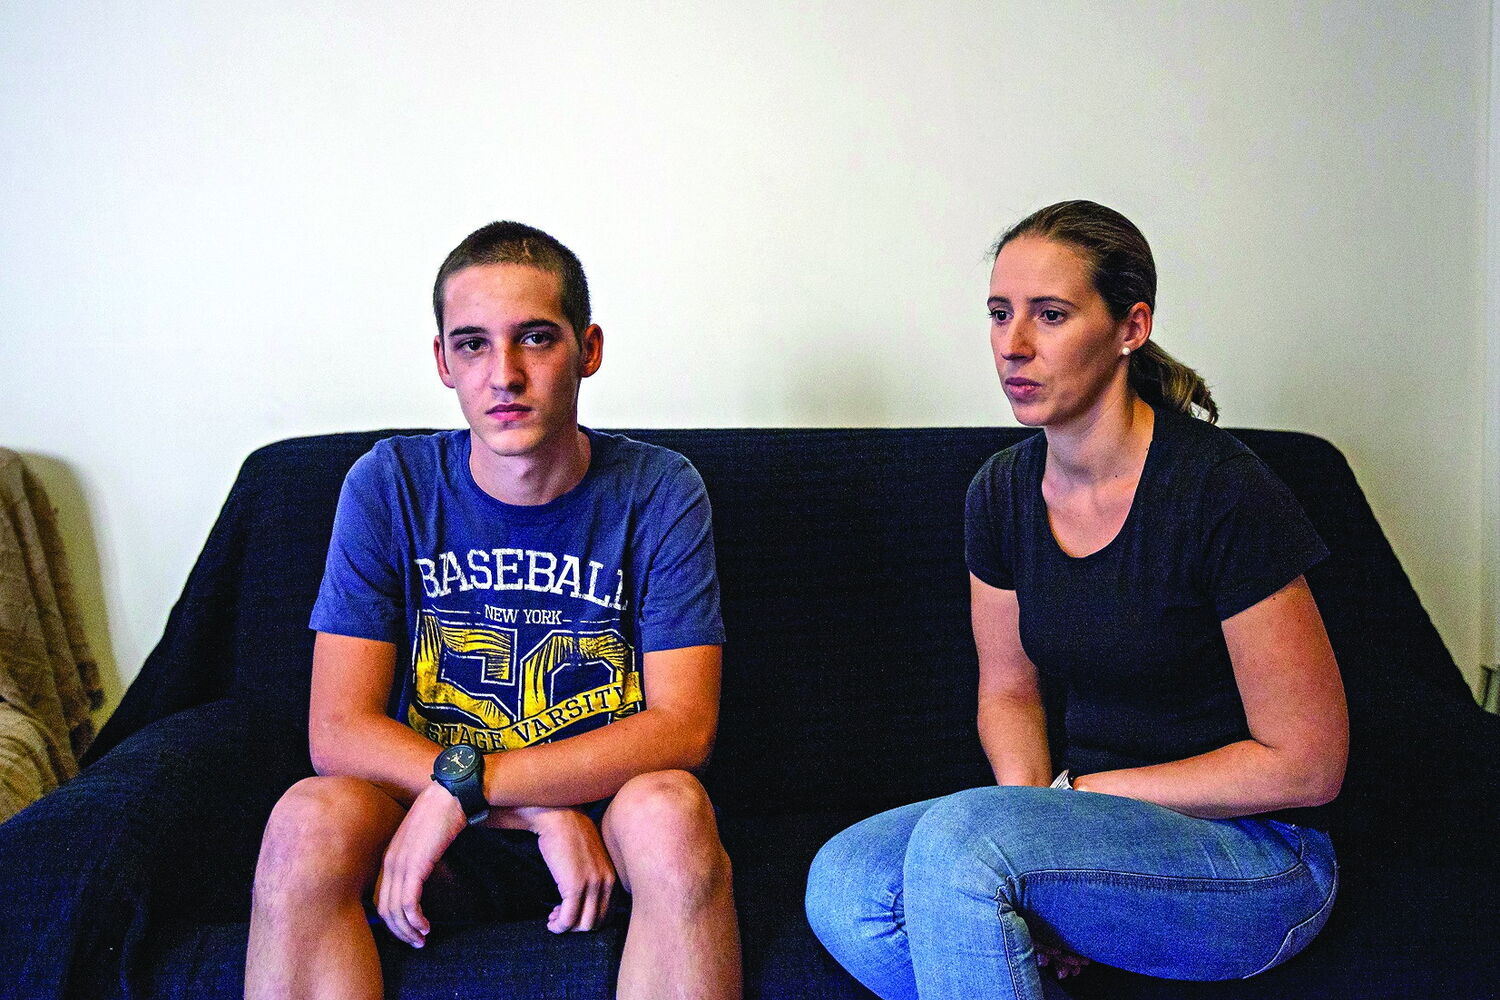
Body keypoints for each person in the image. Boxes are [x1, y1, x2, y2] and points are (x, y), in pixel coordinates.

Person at [804, 200, 1347, 1000]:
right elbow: (1007, 691)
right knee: (847, 882)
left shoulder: (1221, 491)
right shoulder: (1001, 491)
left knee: (965, 841)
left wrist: (1062, 813)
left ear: (1131, 327)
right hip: (1089, 830)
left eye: (1050, 315)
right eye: (1000, 313)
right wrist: (1031, 842)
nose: (1013, 345)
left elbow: (1308, 765)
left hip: (1260, 856)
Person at [246, 222, 741, 1000]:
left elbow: (684, 728)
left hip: (607, 834)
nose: (504, 375)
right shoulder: (391, 484)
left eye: (535, 339)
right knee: (308, 819)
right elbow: (336, 730)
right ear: (443, 361)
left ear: (588, 349)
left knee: (671, 810)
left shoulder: (659, 490)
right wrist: (523, 807)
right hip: (430, 833)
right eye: (473, 345)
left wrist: (473, 785)